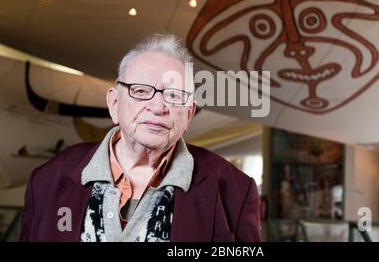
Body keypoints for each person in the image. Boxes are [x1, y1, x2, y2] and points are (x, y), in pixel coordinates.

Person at [19, 34, 261, 242]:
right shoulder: (47, 180)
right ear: (114, 104)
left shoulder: (235, 191)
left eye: (174, 95)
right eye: (141, 91)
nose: (158, 106)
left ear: (188, 114)